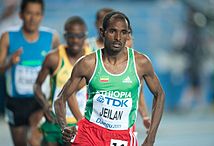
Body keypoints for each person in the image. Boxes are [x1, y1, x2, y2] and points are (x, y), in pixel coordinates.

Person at [55, 11, 165, 146]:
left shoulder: (140, 63)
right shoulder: (88, 63)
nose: (118, 37)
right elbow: (61, 99)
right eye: (113, 31)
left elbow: (159, 94)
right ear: (102, 32)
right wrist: (63, 127)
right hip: (89, 133)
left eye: (124, 32)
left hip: (122, 135)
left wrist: (151, 138)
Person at [0, 0, 59, 145]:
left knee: (35, 140)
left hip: (40, 101)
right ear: (21, 15)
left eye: (37, 14)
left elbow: (60, 69)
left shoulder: (52, 37)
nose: (33, 18)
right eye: (29, 13)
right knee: (20, 143)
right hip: (16, 102)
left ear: (42, 16)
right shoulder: (8, 37)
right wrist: (9, 63)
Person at [87, 8, 151, 130]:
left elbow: (139, 92)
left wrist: (145, 116)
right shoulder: (87, 49)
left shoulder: (134, 62)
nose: (119, 38)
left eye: (126, 36)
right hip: (94, 117)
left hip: (121, 124)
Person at [34, 16, 91, 146]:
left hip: (80, 122)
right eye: (71, 36)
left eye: (79, 36)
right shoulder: (53, 58)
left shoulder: (92, 58)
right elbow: (36, 86)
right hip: (55, 120)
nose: (75, 40)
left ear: (85, 36)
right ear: (65, 36)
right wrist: (44, 105)